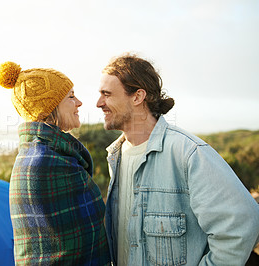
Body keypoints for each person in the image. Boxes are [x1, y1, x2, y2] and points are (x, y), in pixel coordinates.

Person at [96, 53, 259, 265]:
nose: (99, 103)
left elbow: (241, 225)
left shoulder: (189, 153)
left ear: (137, 97)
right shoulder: (116, 156)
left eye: (106, 94)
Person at [0, 62, 111, 265]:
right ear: (50, 108)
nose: (80, 103)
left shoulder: (49, 153)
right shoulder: (43, 162)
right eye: (71, 97)